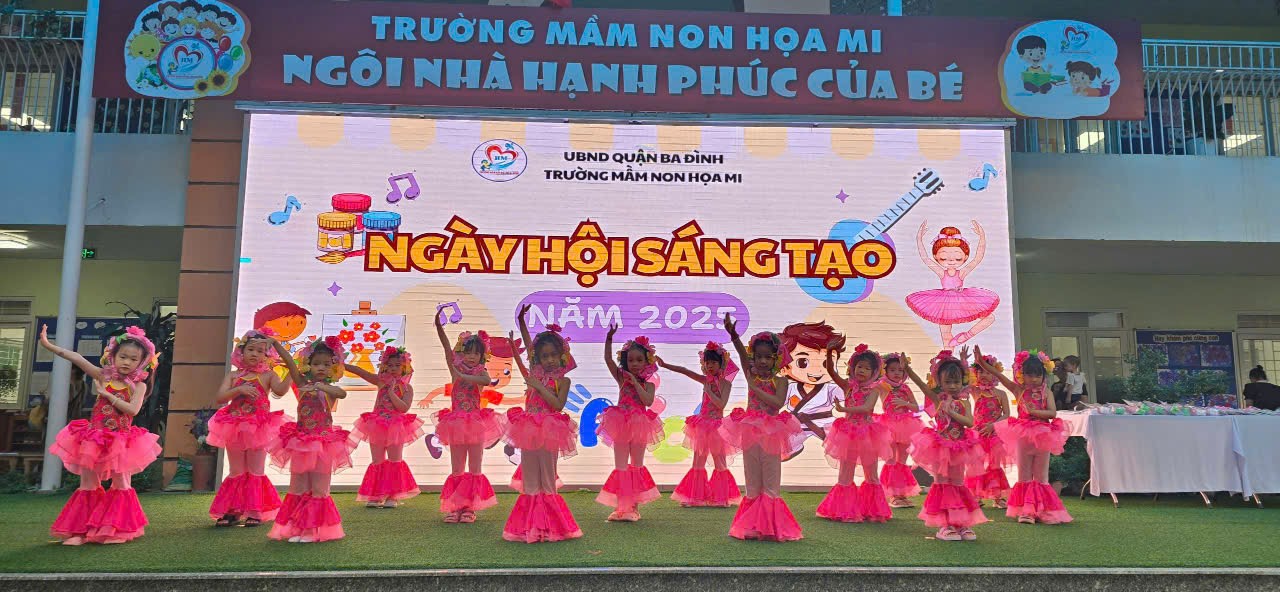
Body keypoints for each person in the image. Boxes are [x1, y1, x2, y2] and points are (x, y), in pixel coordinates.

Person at [41, 325, 162, 545]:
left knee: (121, 484)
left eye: (133, 359)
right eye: (123, 356)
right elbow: (76, 358)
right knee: (88, 483)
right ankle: (81, 532)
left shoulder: (138, 386)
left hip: (121, 441)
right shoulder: (102, 375)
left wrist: (108, 395)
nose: (126, 362)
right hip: (94, 439)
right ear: (112, 356)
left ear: (142, 362)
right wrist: (49, 345)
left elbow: (133, 410)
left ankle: (116, 530)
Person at [720, 315, 805, 542]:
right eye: (759, 357)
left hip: (772, 433)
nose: (763, 361)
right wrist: (733, 335)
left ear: (776, 358)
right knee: (752, 481)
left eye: (768, 357)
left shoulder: (781, 380)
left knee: (770, 480)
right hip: (750, 431)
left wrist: (755, 389)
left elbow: (777, 403)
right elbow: (741, 354)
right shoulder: (751, 373)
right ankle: (751, 525)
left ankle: (770, 527)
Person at [503, 308, 581, 543]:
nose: (549, 360)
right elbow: (529, 346)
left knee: (548, 480)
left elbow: (557, 405)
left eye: (553, 355)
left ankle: (551, 527)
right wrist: (521, 320)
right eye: (544, 356)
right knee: (530, 481)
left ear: (561, 356)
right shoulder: (534, 372)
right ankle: (530, 527)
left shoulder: (563, 380)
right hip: (528, 429)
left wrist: (538, 387)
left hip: (550, 429)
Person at [267, 336, 354, 543]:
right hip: (301, 442)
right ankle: (298, 528)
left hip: (323, 443)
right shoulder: (302, 384)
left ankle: (313, 531)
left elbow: (341, 393)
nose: (321, 368)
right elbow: (290, 362)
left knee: (319, 488)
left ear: (334, 367)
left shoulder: (330, 390)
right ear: (308, 365)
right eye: (316, 364)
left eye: (326, 364)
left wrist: (321, 387)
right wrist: (276, 344)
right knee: (299, 487)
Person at [207, 328, 290, 527]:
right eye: (250, 349)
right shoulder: (233, 376)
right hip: (234, 426)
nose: (255, 354)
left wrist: (291, 373)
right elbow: (220, 397)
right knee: (236, 470)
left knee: (255, 469)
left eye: (260, 351)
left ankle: (254, 512)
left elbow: (280, 391)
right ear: (241, 352)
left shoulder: (268, 375)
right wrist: (239, 389)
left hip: (258, 428)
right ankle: (232, 511)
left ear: (267, 356)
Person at [982, 347, 1073, 525]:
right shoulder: (1019, 390)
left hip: (1043, 436)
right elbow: (1000, 376)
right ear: (1022, 375)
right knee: (1024, 475)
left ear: (1044, 375)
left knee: (1041, 477)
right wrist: (981, 363)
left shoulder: (1046, 392)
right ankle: (1026, 511)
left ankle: (1043, 510)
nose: (1034, 379)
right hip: (1023, 436)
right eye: (1030, 375)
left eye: (1038, 375)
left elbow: (1052, 413)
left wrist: (1035, 412)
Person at [430, 314, 506, 522]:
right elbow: (446, 348)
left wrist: (464, 376)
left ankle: (470, 508)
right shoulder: (455, 368)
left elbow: (486, 381)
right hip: (455, 423)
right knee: (457, 468)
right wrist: (439, 326)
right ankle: (455, 508)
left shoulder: (481, 372)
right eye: (468, 352)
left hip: (475, 423)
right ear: (461, 353)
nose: (471, 356)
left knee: (474, 468)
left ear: (482, 356)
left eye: (476, 353)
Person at [907, 350, 987, 542]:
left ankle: (961, 523)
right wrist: (907, 368)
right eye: (948, 382)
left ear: (962, 382)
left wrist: (953, 413)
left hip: (959, 447)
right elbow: (921, 384)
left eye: (956, 382)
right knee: (942, 484)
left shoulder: (964, 403)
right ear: (940, 383)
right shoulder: (938, 400)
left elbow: (969, 422)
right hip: (940, 448)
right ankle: (945, 525)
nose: (952, 386)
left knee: (958, 484)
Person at [816, 343, 893, 523]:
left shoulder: (874, 390)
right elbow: (831, 371)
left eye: (867, 368)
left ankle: (873, 511)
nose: (862, 371)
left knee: (871, 472)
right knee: (845, 472)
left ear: (874, 372)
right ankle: (844, 511)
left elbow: (867, 408)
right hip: (848, 433)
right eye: (859, 366)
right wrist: (829, 351)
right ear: (852, 367)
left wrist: (844, 408)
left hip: (868, 434)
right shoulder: (848, 386)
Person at [660, 342, 742, 508]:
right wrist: (665, 365)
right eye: (707, 362)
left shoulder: (725, 383)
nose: (710, 365)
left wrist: (709, 391)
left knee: (720, 463)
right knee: (698, 462)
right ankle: (695, 498)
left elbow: (721, 404)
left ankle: (721, 498)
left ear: (721, 364)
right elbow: (685, 371)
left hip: (717, 427)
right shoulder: (705, 380)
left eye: (713, 362)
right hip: (702, 425)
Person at [596, 327, 663, 521]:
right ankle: (621, 507)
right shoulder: (621, 378)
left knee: (636, 465)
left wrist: (634, 381)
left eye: (639, 360)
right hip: (621, 423)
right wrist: (609, 338)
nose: (634, 363)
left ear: (647, 362)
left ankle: (633, 508)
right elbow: (608, 360)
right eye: (631, 360)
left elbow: (647, 401)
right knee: (621, 466)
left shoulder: (648, 384)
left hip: (640, 425)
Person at [348, 345, 425, 511]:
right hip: (377, 424)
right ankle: (376, 495)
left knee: (394, 460)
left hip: (396, 426)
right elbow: (360, 372)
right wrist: (342, 364)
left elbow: (403, 408)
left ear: (404, 367)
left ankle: (393, 495)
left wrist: (391, 392)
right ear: (385, 366)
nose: (393, 368)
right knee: (377, 461)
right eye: (390, 365)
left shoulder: (407, 388)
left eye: (397, 365)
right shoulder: (380, 381)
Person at [907, 222, 1000, 348]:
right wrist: (919, 239)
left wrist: (982, 237)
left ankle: (965, 336)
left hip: (962, 299)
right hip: (944, 303)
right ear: (936, 256)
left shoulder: (961, 272)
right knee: (946, 335)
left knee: (989, 318)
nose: (951, 261)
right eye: (943, 258)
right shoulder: (942, 272)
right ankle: (947, 356)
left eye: (958, 258)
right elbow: (925, 259)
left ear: (965, 257)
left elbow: (977, 258)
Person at [963, 353, 1012, 509]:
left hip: (994, 435)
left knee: (994, 465)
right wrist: (964, 361)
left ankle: (998, 497)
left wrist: (993, 425)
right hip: (978, 434)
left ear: (995, 374)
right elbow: (963, 380)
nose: (984, 375)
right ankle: (974, 496)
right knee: (975, 465)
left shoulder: (1001, 394)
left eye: (988, 372)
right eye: (981, 372)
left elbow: (1007, 414)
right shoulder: (975, 391)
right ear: (975, 374)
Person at [876, 352, 923, 508]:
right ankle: (891, 495)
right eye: (892, 370)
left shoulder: (905, 388)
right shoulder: (882, 386)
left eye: (900, 370)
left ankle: (901, 494)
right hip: (888, 426)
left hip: (906, 426)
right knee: (890, 460)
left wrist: (905, 403)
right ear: (885, 371)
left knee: (901, 462)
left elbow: (915, 407)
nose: (897, 373)